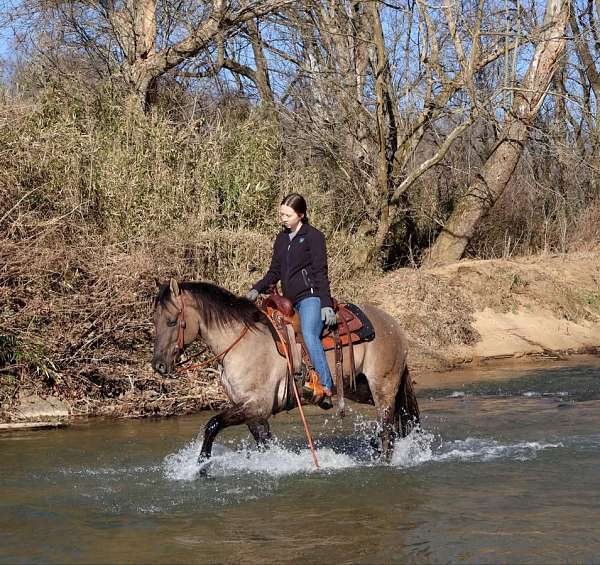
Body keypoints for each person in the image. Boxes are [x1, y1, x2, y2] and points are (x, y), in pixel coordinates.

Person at [246, 193, 336, 399]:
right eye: (281, 215)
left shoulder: (314, 237)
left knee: (309, 333)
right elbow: (274, 272)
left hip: (309, 297)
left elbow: (321, 273)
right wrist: (256, 288)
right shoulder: (281, 238)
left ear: (301, 214)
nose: (283, 219)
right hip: (289, 301)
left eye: (287, 215)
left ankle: (324, 383)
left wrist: (326, 304)